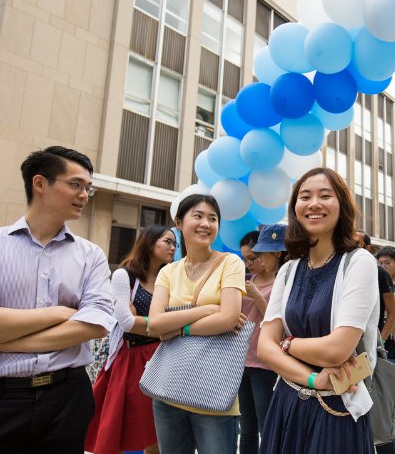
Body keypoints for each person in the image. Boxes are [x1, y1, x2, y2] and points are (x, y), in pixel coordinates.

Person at [0, 146, 114, 452]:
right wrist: (62, 312)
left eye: (88, 188)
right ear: (40, 183)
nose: (84, 195)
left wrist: (1, 339)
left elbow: (96, 324)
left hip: (67, 398)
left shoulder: (91, 256)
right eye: (75, 185)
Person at [260, 168, 379, 453]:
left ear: (342, 206)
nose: (314, 203)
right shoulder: (288, 270)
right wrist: (313, 379)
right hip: (288, 403)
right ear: (295, 209)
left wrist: (286, 344)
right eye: (305, 197)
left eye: (325, 196)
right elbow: (264, 348)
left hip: (337, 404)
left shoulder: (358, 262)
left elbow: (337, 349)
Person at [145, 193, 247, 454]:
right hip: (168, 389)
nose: (206, 224)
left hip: (214, 394)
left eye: (212, 218)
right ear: (179, 222)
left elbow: (229, 318)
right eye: (198, 216)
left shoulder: (230, 263)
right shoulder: (169, 271)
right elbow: (155, 324)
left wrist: (177, 329)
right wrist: (206, 310)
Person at [86, 224, 175, 454]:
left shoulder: (170, 280)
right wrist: (165, 327)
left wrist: (144, 324)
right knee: (127, 425)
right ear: (149, 241)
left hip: (164, 356)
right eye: (167, 241)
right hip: (132, 357)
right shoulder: (124, 275)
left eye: (174, 243)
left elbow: (173, 320)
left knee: (157, 429)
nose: (172, 247)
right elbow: (125, 321)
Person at [239, 226, 285, 454]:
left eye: (254, 257)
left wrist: (256, 295)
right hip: (241, 358)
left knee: (265, 423)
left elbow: (277, 323)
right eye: (245, 258)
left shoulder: (281, 281)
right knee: (246, 426)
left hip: (264, 363)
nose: (249, 263)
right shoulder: (246, 280)